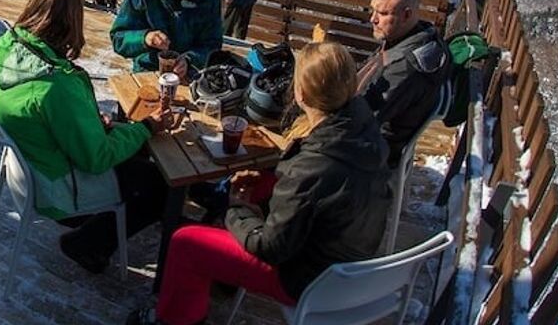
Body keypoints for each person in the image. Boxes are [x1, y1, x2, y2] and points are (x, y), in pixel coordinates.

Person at [127, 43, 392, 325]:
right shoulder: (362, 127)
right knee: (262, 182)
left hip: (310, 279)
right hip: (350, 260)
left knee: (185, 242)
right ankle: (223, 277)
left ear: (300, 94)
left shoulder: (316, 164)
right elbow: (313, 190)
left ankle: (173, 320)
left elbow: (270, 247)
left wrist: (237, 210)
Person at [0, 0, 169, 273]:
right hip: (57, 189)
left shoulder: (7, 46)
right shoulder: (56, 85)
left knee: (133, 150)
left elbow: (46, 115)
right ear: (73, 22)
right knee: (159, 184)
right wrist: (147, 126)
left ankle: (109, 225)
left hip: (32, 167)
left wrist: (91, 123)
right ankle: (88, 243)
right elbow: (96, 159)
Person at [363, 0, 450, 167]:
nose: (373, 19)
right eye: (373, 10)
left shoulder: (405, 68)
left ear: (407, 15)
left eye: (383, 13)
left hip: (375, 151)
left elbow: (362, 119)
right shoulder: (422, 37)